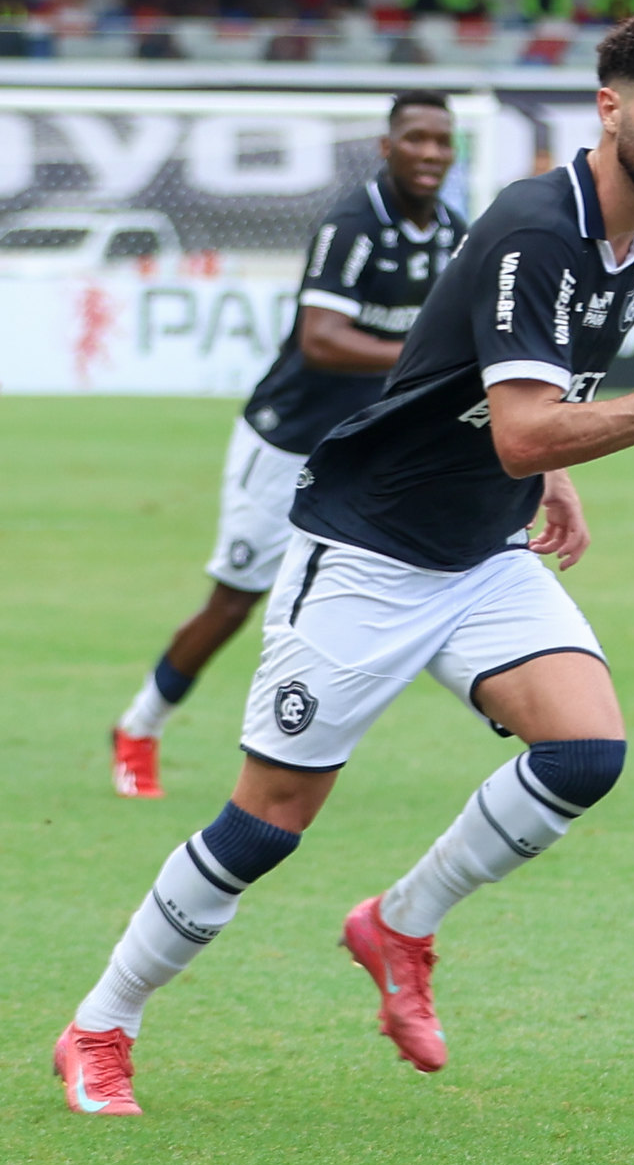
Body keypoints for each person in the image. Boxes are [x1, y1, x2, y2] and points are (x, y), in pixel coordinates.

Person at [59, 15, 634, 1117]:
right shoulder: (533, 226)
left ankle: (398, 925)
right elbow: (519, 426)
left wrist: (556, 470)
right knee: (265, 823)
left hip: (479, 549)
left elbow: (530, 402)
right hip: (365, 549)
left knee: (586, 750)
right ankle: (101, 1023)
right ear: (611, 108)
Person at [111, 93, 466, 800]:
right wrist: (416, 361)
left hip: (365, 450)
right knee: (235, 601)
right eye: (416, 138)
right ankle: (139, 726)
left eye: (442, 141)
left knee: (401, 586)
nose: (430, 152)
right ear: (386, 145)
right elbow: (322, 341)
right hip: (287, 438)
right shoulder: (353, 224)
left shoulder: (452, 229)